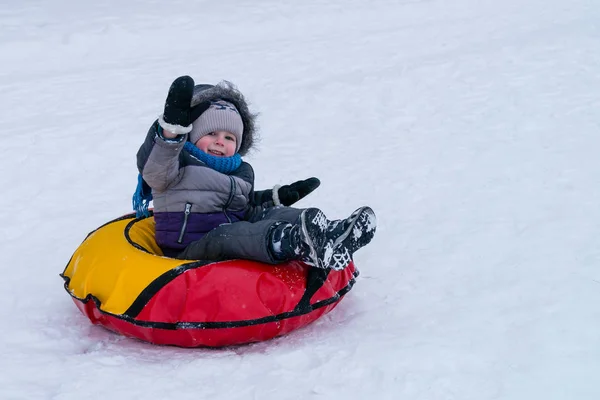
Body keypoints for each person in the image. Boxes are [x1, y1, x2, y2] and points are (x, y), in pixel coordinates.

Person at [134, 76, 376, 270]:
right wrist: (170, 134)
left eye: (229, 137)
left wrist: (277, 198)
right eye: (211, 134)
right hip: (189, 250)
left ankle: (332, 234)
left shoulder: (239, 171)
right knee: (227, 234)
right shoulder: (175, 165)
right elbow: (154, 168)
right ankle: (297, 242)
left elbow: (245, 207)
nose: (220, 142)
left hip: (233, 233)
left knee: (270, 214)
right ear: (192, 134)